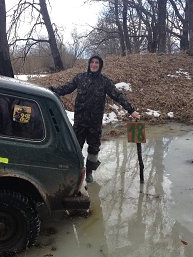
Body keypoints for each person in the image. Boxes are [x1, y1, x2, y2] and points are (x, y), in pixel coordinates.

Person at [50, 55, 140, 183]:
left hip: (95, 123)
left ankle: (89, 172)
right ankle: (77, 170)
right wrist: (52, 91)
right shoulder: (80, 78)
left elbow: (117, 95)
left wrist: (131, 110)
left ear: (100, 65)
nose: (94, 64)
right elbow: (66, 88)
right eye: (92, 62)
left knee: (94, 149)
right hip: (80, 122)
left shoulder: (104, 81)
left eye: (96, 62)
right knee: (75, 147)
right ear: (89, 64)